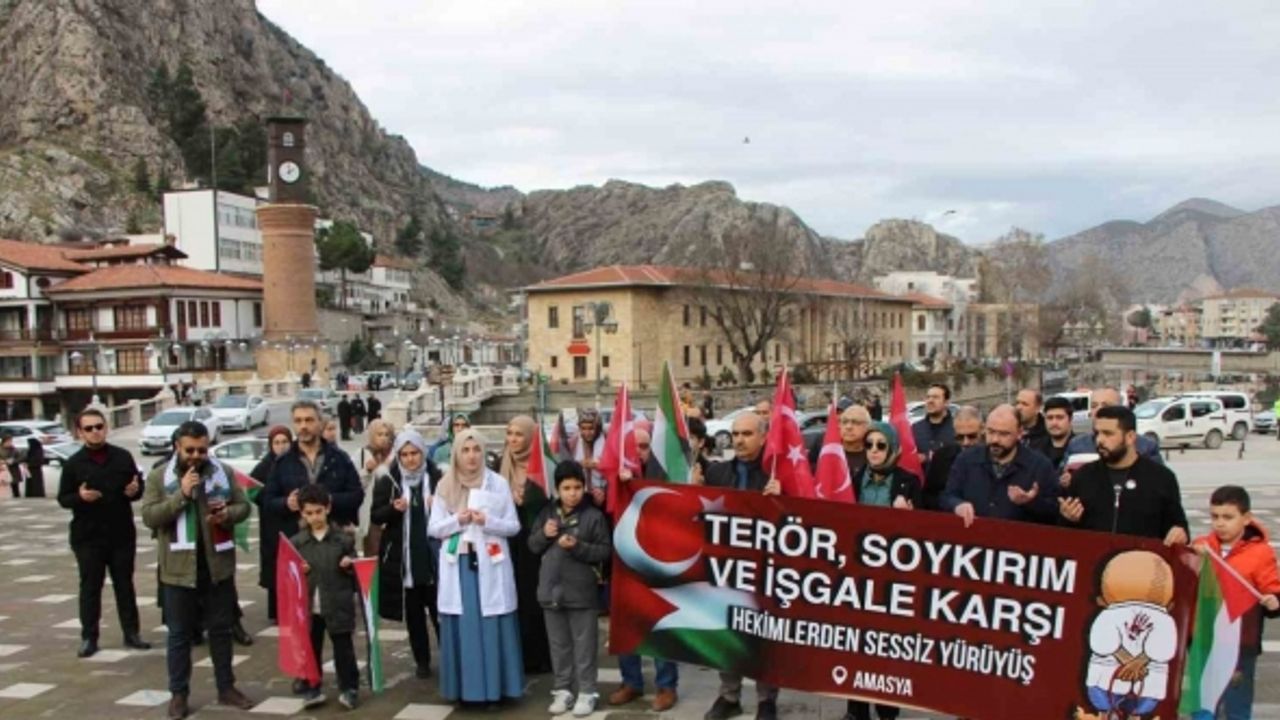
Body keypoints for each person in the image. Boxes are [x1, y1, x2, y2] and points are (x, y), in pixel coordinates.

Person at [140, 420, 254, 719]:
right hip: (178, 571)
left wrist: (228, 514)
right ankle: (178, 694)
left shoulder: (222, 473)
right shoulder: (157, 478)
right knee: (178, 635)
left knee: (221, 630)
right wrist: (181, 495)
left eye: (202, 450)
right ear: (177, 446)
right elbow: (150, 517)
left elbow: (245, 507)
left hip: (217, 567)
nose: (196, 455)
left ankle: (226, 687)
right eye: (189, 449)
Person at [428, 428, 525, 704]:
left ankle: (496, 689)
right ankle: (464, 690)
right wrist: (457, 520)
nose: (471, 456)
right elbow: (434, 528)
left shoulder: (497, 484)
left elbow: (513, 525)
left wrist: (487, 521)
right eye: (465, 450)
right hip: (458, 566)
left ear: (484, 452)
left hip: (490, 564)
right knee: (464, 626)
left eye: (477, 450)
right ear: (456, 453)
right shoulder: (445, 486)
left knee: (492, 622)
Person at [56, 408, 151, 658]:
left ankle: (132, 633)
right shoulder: (74, 463)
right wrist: (80, 496)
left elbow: (137, 486)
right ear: (80, 432)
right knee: (90, 586)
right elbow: (63, 498)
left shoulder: (122, 457)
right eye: (89, 428)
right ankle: (89, 636)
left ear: (105, 428)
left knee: (124, 584)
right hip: (88, 537)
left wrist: (135, 490)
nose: (95, 432)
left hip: (120, 533)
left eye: (99, 426)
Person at [705, 412, 781, 720]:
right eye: (735, 433)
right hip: (726, 567)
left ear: (764, 437)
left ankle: (766, 699)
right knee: (728, 633)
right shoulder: (717, 473)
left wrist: (783, 497)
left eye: (747, 433)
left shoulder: (777, 474)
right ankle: (729, 695)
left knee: (764, 635)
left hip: (766, 569)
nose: (738, 440)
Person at [843, 422, 918, 720]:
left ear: (894, 449)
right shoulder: (853, 478)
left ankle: (887, 711)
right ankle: (856, 711)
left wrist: (909, 518)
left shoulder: (908, 482)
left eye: (880, 445)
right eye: (869, 445)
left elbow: (926, 535)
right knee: (854, 647)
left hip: (891, 581)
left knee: (885, 650)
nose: (873, 451)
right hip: (856, 578)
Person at [530, 461, 613, 717]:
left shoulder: (593, 516)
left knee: (585, 646)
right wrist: (544, 534)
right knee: (559, 645)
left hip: (582, 594)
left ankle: (587, 692)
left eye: (577, 487)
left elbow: (604, 551)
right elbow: (533, 545)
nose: (572, 493)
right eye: (566, 488)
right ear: (557, 489)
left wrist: (577, 546)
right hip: (551, 592)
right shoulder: (547, 513)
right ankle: (563, 689)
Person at [1190, 486, 1280, 720]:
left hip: (1241, 640)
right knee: (1203, 703)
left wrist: (1274, 600)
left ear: (1246, 518)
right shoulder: (1202, 546)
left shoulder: (1260, 552)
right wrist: (1190, 559)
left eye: (1228, 517)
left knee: (1236, 704)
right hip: (1204, 639)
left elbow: (1272, 586)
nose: (1220, 523)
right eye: (1215, 516)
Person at [371, 428, 443, 679]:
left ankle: (450, 655)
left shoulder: (437, 477)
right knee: (414, 615)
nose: (411, 459)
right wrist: (393, 509)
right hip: (405, 559)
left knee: (440, 611)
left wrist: (439, 505)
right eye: (405, 454)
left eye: (415, 453)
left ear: (423, 452)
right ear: (398, 456)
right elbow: (375, 515)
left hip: (432, 556)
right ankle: (421, 660)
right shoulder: (388, 481)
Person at [1059, 406, 1188, 545]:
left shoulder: (1161, 478)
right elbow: (1066, 540)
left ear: (1130, 437)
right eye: (1097, 433)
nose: (1100, 440)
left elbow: (1178, 527)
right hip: (1094, 562)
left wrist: (1180, 534)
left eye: (1108, 434)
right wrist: (1067, 519)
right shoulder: (1083, 477)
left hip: (1142, 562)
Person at [291, 484, 360, 710]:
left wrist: (349, 565)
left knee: (343, 649)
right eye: (309, 513)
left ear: (328, 508)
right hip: (311, 605)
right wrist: (296, 571)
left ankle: (349, 688)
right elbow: (288, 574)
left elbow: (357, 570)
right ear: (302, 513)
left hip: (338, 603)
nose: (315, 517)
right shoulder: (298, 543)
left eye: (318, 511)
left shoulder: (343, 540)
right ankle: (312, 686)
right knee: (311, 648)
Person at [495, 415, 553, 674]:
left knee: (536, 597)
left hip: (537, 540)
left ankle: (542, 656)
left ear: (530, 437)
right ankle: (519, 654)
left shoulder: (543, 464)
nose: (513, 439)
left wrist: (527, 501)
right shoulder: (500, 465)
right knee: (513, 594)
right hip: (509, 541)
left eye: (519, 434)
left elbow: (552, 501)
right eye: (509, 433)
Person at [263, 401, 364, 550]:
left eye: (309, 420)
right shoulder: (282, 462)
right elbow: (268, 500)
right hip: (297, 542)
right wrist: (286, 503)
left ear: (320, 423)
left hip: (335, 541)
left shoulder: (339, 458)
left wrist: (329, 500)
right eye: (298, 421)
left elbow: (357, 495)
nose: (303, 426)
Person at [941, 405, 1059, 526]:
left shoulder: (1040, 466)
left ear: (1019, 433)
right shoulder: (966, 459)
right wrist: (957, 505)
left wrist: (1030, 502)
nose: (995, 440)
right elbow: (947, 496)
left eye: (1004, 434)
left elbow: (1054, 513)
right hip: (975, 539)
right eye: (991, 432)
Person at [253, 425, 294, 622]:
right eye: (276, 443)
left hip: (293, 522)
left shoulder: (295, 463)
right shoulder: (264, 466)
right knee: (274, 566)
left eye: (285, 442)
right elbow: (253, 490)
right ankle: (276, 611)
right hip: (271, 524)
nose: (281, 446)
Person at [1066, 387, 1162, 464]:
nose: (1099, 411)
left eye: (1106, 406)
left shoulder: (1146, 447)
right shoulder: (1076, 445)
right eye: (1094, 406)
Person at [921, 406, 983, 512]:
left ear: (982, 431)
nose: (965, 442)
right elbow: (929, 496)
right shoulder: (941, 456)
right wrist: (952, 505)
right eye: (960, 437)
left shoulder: (996, 456)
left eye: (972, 436)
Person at [359, 419, 396, 557]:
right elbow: (355, 484)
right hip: (369, 514)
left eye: (387, 434)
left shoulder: (397, 455)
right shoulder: (362, 454)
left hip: (390, 511)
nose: (384, 438)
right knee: (372, 554)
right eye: (379, 434)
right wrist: (367, 471)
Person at [910, 383, 954, 465]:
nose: (930, 401)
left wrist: (926, 457)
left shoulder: (957, 427)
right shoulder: (915, 428)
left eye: (935, 397)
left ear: (946, 403)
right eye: (928, 397)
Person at [1040, 396, 1076, 483]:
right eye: (1050, 418)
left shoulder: (1081, 449)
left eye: (1059, 417)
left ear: (1070, 419)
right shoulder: (1036, 450)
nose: (1054, 423)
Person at [575, 409, 606, 499]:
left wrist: (601, 466)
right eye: (583, 428)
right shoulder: (574, 442)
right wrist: (579, 464)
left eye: (591, 428)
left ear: (598, 428)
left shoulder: (608, 442)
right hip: (580, 495)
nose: (587, 433)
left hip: (603, 493)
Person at [1015, 388, 1050, 456]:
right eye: (1017, 403)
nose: (1018, 407)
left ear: (1037, 408)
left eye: (1024, 404)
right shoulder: (1008, 429)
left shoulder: (1048, 434)